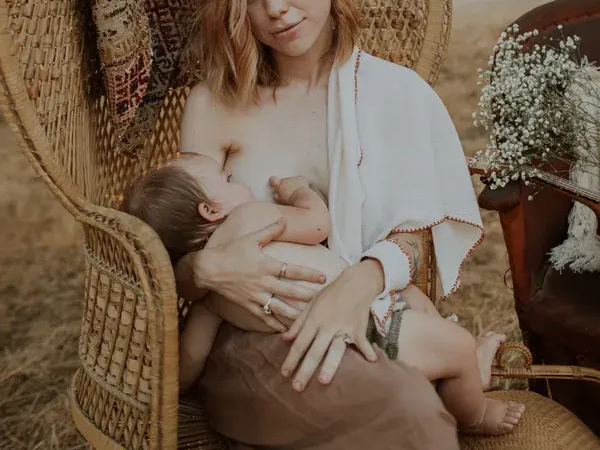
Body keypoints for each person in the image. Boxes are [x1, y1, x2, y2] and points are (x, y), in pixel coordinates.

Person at [173, 0, 490, 450]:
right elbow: (178, 255)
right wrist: (207, 268)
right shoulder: (215, 106)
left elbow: (414, 243)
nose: (277, 9)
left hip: (367, 316)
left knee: (399, 400)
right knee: (402, 406)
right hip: (248, 343)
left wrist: (355, 287)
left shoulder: (396, 94)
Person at [124, 150, 523, 434]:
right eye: (227, 181)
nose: (238, 180)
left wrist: (168, 386)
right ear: (211, 210)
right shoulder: (248, 218)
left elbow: (190, 359)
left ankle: (459, 373)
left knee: (419, 307)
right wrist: (298, 193)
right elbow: (318, 225)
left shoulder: (208, 298)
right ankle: (475, 412)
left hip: (335, 353)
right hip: (366, 328)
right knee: (451, 342)